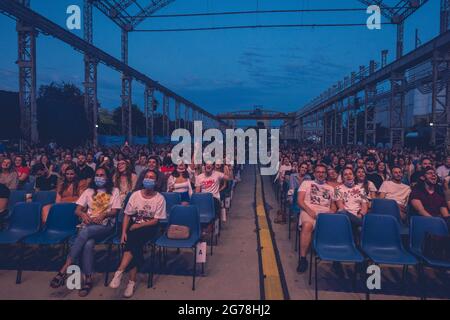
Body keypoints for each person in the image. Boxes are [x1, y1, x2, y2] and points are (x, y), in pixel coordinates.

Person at [49, 167, 121, 297]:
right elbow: (77, 210)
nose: (99, 177)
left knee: (84, 233)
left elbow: (115, 211)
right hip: (89, 224)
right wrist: (83, 215)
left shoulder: (114, 191)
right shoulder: (88, 191)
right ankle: (88, 280)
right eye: (97, 175)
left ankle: (64, 269)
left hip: (106, 226)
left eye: (102, 175)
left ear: (107, 177)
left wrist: (104, 214)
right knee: (88, 244)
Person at [108, 169, 166, 298]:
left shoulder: (160, 198)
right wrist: (123, 232)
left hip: (149, 227)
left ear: (156, 182)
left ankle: (120, 270)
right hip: (133, 227)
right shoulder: (135, 195)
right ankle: (130, 281)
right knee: (134, 244)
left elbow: (156, 220)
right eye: (147, 177)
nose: (149, 179)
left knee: (133, 239)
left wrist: (139, 225)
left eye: (152, 178)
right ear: (143, 179)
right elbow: (127, 216)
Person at [297, 164, 336, 273]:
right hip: (308, 211)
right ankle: (303, 259)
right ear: (314, 173)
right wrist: (310, 211)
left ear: (326, 174)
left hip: (325, 214)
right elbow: (300, 200)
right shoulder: (307, 183)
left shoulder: (331, 188)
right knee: (307, 225)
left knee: (336, 228)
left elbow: (333, 206)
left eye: (323, 172)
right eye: (318, 172)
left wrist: (331, 213)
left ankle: (335, 259)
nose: (320, 174)